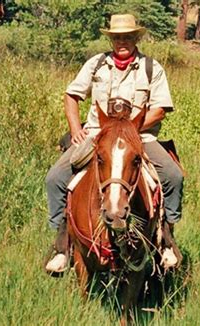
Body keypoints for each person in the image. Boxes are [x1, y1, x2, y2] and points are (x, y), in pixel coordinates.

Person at [45, 14, 183, 272]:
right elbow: (71, 95)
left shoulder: (151, 68)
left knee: (173, 175)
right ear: (111, 39)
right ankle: (62, 244)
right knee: (55, 178)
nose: (123, 42)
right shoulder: (96, 65)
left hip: (139, 136)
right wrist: (76, 128)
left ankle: (166, 238)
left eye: (128, 37)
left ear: (136, 38)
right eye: (118, 37)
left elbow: (161, 109)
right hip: (97, 134)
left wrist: (130, 128)